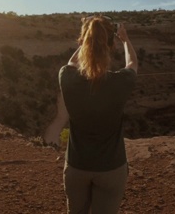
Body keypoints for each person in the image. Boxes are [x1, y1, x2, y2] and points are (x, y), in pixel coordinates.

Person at [44, 15, 138, 214]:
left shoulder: (66, 77)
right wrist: (125, 39)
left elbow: (72, 62)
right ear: (109, 46)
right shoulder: (120, 82)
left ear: (85, 43)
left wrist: (89, 34)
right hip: (112, 168)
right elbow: (132, 65)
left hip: (77, 166)